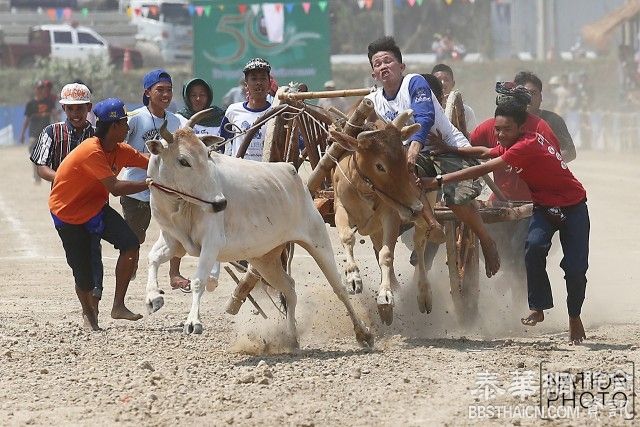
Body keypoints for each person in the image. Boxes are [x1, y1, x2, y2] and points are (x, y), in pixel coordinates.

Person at [420, 100, 589, 345]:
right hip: (543, 205)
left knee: (575, 269)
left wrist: (437, 181)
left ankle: (574, 316)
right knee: (533, 248)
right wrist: (449, 148)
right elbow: (484, 152)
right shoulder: (514, 142)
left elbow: (484, 167)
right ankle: (538, 307)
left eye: (505, 130)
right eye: (497, 129)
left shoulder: (527, 145)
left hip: (573, 206)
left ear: (520, 128)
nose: (499, 135)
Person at [365, 36, 499, 277]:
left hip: (445, 149)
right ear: (374, 74)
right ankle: (426, 226)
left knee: (457, 199)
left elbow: (425, 117)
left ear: (401, 67)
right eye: (377, 64)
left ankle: (486, 240)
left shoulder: (414, 83)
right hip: (409, 162)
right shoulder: (373, 101)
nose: (383, 66)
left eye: (388, 61)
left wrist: (414, 150)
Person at [49, 98, 150, 331]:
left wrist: (179, 157)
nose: (127, 128)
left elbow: (150, 161)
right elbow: (114, 188)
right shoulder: (91, 151)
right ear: (114, 126)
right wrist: (149, 183)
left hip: (94, 208)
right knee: (83, 274)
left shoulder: (120, 150)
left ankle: (118, 306)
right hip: (68, 214)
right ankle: (88, 314)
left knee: (130, 243)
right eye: (124, 123)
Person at [30, 82, 104, 299]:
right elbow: (41, 166)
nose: (75, 113)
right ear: (63, 109)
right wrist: (64, 179)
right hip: (64, 206)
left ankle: (96, 293)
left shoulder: (98, 137)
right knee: (76, 256)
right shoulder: (51, 132)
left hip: (93, 203)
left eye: (80, 108)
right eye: (70, 108)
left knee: (94, 247)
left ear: (89, 108)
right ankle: (86, 293)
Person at [121, 69, 188, 291]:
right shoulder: (135, 118)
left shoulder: (177, 120)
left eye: (169, 90)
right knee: (135, 237)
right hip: (137, 189)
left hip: (168, 191)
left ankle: (174, 273)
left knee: (177, 233)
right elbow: (118, 146)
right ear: (147, 92)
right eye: (160, 90)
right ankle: (132, 260)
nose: (165, 95)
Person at [513, 71, 576, 162]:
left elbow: (570, 151)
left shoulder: (554, 120)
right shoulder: (507, 121)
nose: (529, 97)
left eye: (533, 93)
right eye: (524, 93)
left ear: (541, 97)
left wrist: (547, 163)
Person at [220, 58, 273, 162]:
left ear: (269, 84)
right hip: (240, 175)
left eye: (263, 78)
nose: (258, 83)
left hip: (269, 175)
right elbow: (220, 145)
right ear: (246, 85)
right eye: (254, 79)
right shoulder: (233, 111)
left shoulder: (277, 112)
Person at [20, 80, 57, 184]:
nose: (40, 90)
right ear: (35, 89)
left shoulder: (49, 102)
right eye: (38, 88)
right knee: (34, 155)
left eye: (42, 88)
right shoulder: (31, 104)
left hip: (46, 133)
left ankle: (46, 176)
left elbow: (55, 115)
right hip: (34, 134)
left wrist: (59, 125)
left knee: (47, 155)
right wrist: (22, 134)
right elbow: (26, 120)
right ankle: (37, 177)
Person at [431, 63, 477, 132]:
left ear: (453, 83)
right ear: (430, 85)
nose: (442, 83)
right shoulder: (426, 110)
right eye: (438, 80)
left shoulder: (466, 111)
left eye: (446, 80)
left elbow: (472, 137)